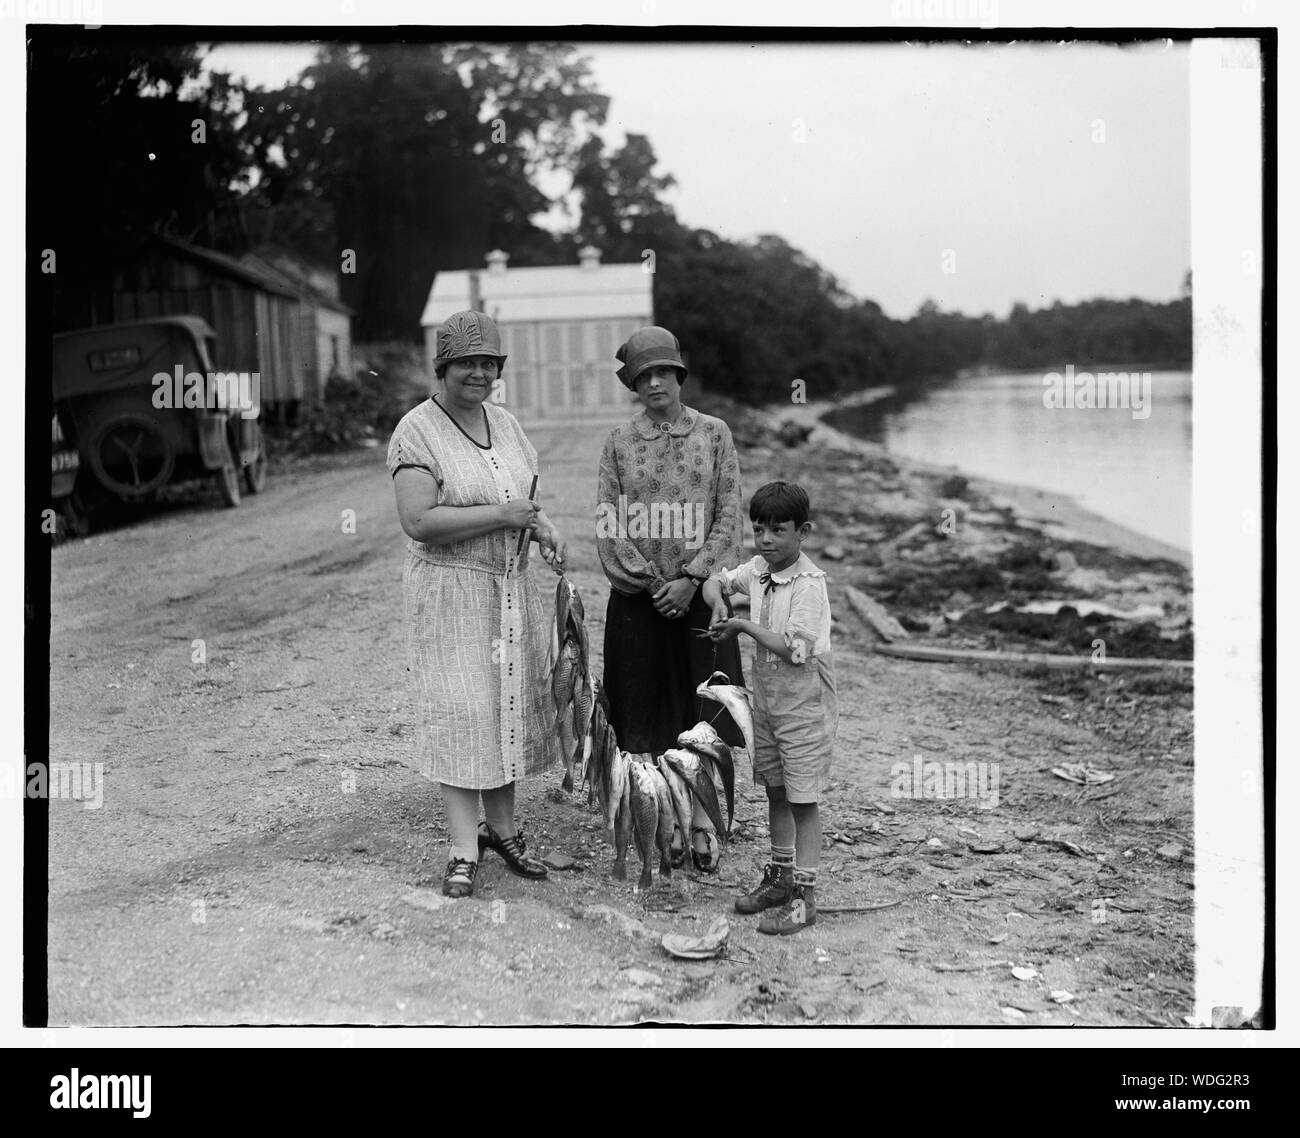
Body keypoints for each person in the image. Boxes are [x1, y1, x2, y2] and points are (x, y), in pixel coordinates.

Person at [388, 310, 568, 898]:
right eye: (467, 363)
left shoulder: (508, 425)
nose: (480, 373)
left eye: (489, 363)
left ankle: (504, 831)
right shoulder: (416, 431)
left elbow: (526, 500)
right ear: (443, 368)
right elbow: (418, 521)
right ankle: (463, 849)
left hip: (512, 590)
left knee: (507, 707)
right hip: (453, 591)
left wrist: (541, 527)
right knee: (463, 713)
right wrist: (504, 516)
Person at [596, 327, 748, 792]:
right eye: (645, 376)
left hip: (701, 600)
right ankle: (657, 815)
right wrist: (651, 583)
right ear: (634, 385)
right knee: (642, 714)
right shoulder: (619, 442)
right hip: (639, 603)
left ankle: (702, 819)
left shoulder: (714, 433)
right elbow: (607, 521)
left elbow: (728, 513)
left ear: (679, 375)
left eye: (664, 372)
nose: (655, 383)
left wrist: (691, 578)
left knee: (704, 715)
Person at [702, 481, 838, 935]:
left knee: (803, 799)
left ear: (803, 532)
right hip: (769, 705)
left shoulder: (809, 585)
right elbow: (718, 579)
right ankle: (779, 876)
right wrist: (720, 598)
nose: (765, 540)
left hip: (803, 706)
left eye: (778, 530)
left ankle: (805, 895)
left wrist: (741, 623)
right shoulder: (759, 569)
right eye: (758, 529)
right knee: (775, 790)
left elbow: (797, 650)